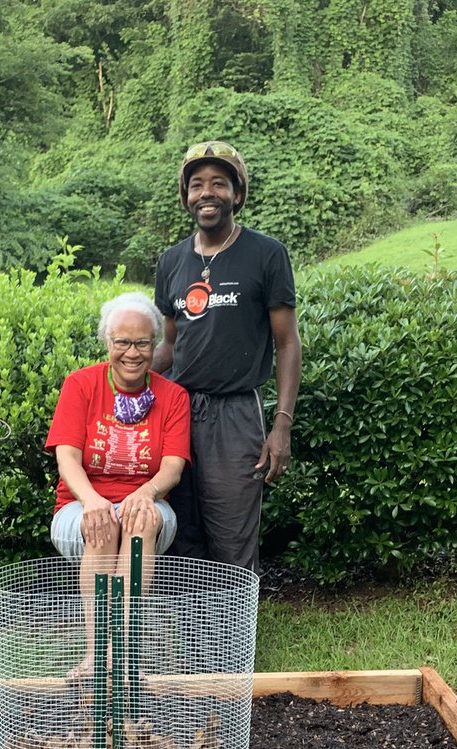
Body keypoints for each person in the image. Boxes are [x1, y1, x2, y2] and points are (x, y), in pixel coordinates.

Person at [153, 140, 302, 573]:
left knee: (232, 535)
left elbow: (288, 343)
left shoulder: (266, 254)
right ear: (185, 196)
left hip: (236, 414)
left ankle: (233, 638)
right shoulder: (171, 262)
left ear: (237, 194)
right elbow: (170, 344)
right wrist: (114, 378)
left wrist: (282, 425)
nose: (207, 193)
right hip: (177, 411)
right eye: (196, 184)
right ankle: (193, 637)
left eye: (219, 183)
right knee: (180, 530)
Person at [45, 291, 191, 672]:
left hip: (151, 506)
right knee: (103, 522)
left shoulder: (173, 396)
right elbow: (67, 459)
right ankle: (98, 653)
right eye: (121, 342)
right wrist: (92, 500)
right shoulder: (81, 385)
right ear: (107, 342)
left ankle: (121, 652)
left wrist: (144, 494)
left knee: (138, 519)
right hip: (79, 507)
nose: (132, 352)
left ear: (155, 343)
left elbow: (172, 469)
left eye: (142, 342)